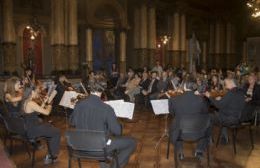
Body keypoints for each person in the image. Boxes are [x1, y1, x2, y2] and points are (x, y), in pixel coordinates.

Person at [70, 89, 136, 168]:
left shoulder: (78, 104)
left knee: (107, 139)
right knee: (131, 142)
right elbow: (117, 132)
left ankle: (105, 163)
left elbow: (72, 122)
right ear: (101, 90)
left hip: (80, 147)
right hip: (100, 149)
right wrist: (115, 118)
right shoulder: (106, 108)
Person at [168, 78, 210, 160]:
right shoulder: (201, 99)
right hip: (199, 131)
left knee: (176, 124)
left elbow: (172, 113)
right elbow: (205, 112)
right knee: (207, 126)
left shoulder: (174, 99)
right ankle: (199, 150)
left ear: (184, 86)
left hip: (180, 133)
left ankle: (180, 151)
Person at [23, 86, 61, 164]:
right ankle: (51, 156)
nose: (38, 93)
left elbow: (38, 112)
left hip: (31, 128)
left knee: (50, 127)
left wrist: (44, 102)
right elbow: (47, 113)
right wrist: (50, 104)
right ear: (32, 92)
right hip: (34, 130)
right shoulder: (31, 103)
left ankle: (51, 152)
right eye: (37, 91)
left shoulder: (26, 101)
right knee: (57, 132)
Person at [205, 78, 246, 143]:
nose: (225, 85)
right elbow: (231, 103)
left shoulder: (230, 93)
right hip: (239, 118)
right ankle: (224, 137)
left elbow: (218, 105)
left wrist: (209, 96)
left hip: (230, 119)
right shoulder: (241, 92)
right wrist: (221, 100)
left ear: (230, 83)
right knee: (220, 113)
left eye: (226, 84)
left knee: (209, 116)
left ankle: (209, 138)